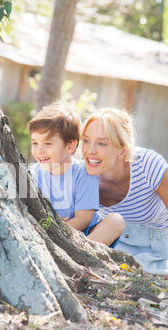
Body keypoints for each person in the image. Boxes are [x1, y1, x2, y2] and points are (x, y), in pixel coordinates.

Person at [81, 107, 168, 277]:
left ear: (122, 151)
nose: (90, 151)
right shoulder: (81, 176)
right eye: (86, 140)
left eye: (102, 143)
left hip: (161, 243)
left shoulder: (148, 165)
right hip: (119, 245)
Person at [28, 101, 125, 246]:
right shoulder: (32, 174)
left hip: (84, 237)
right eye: (35, 143)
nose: (39, 150)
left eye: (48, 143)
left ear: (70, 146)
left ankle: (85, 256)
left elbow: (84, 218)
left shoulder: (84, 173)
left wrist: (59, 229)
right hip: (45, 233)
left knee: (116, 221)